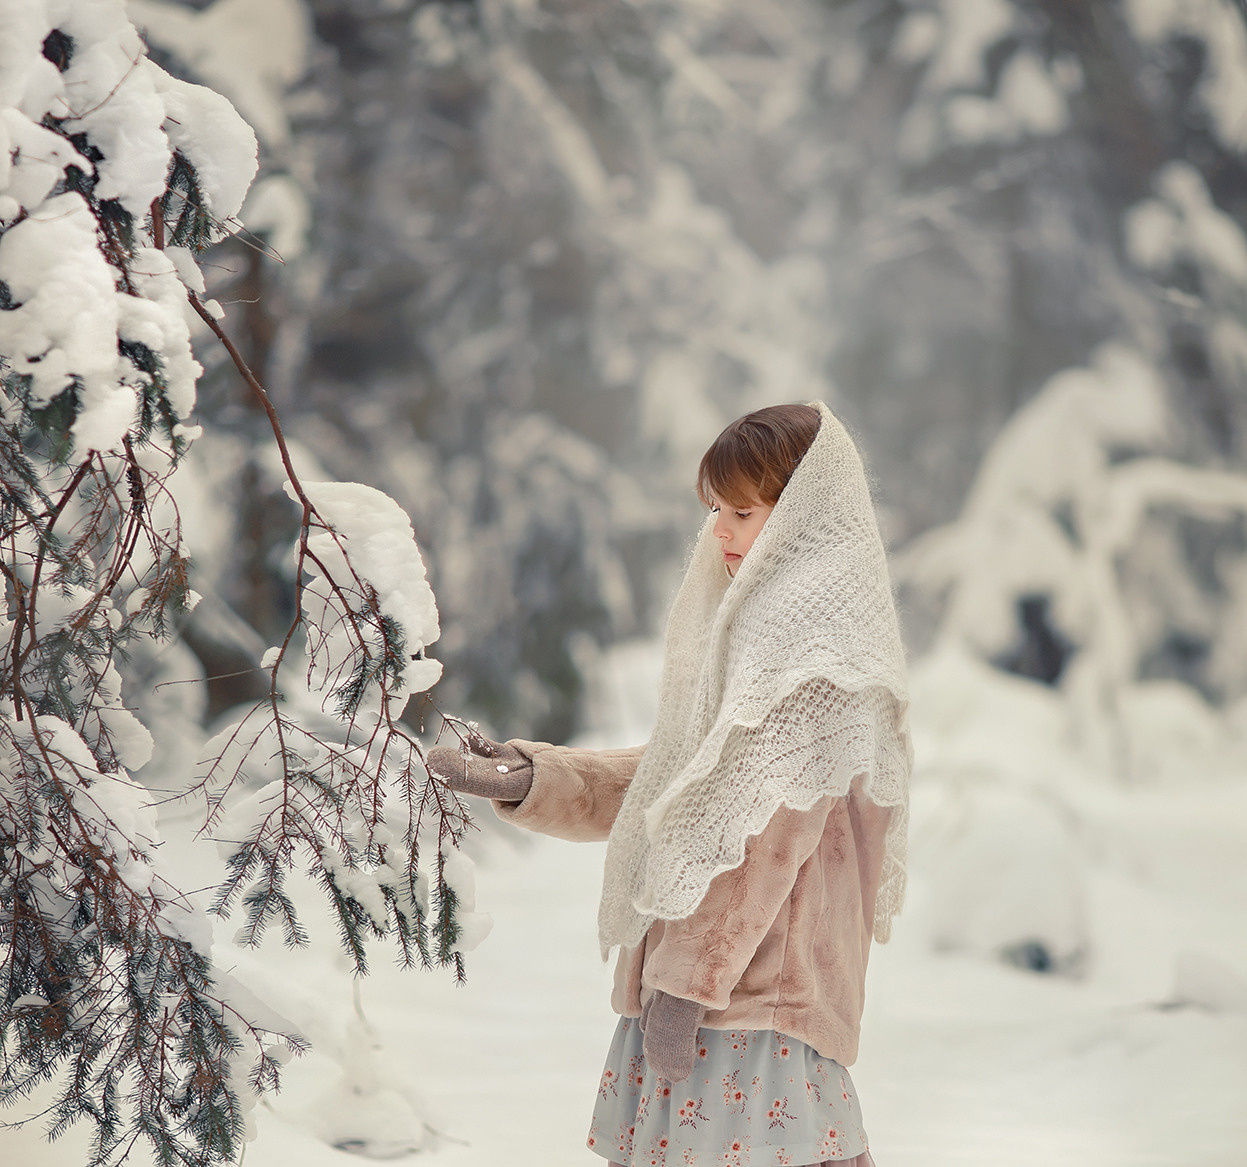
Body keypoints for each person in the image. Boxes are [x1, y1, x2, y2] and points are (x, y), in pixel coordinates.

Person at [429, 402, 911, 1167]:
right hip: (729, 1003)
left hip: (747, 1013)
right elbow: (691, 779)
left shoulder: (813, 656)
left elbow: (759, 839)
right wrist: (538, 777)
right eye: (714, 508)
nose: (718, 530)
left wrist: (685, 987)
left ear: (804, 518)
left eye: (741, 511)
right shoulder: (771, 631)